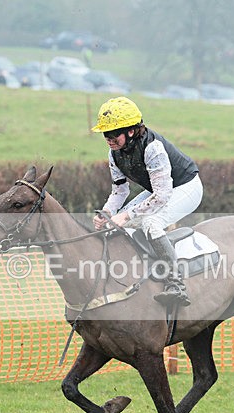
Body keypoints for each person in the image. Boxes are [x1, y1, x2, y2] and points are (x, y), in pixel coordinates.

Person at [91, 96, 203, 307]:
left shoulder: (153, 148)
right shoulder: (114, 153)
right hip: (160, 190)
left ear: (131, 131)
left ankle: (176, 284)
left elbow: (162, 196)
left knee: (150, 223)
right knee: (114, 221)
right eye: (105, 134)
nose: (109, 138)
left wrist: (126, 216)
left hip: (187, 188)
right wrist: (106, 214)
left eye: (114, 133)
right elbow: (120, 190)